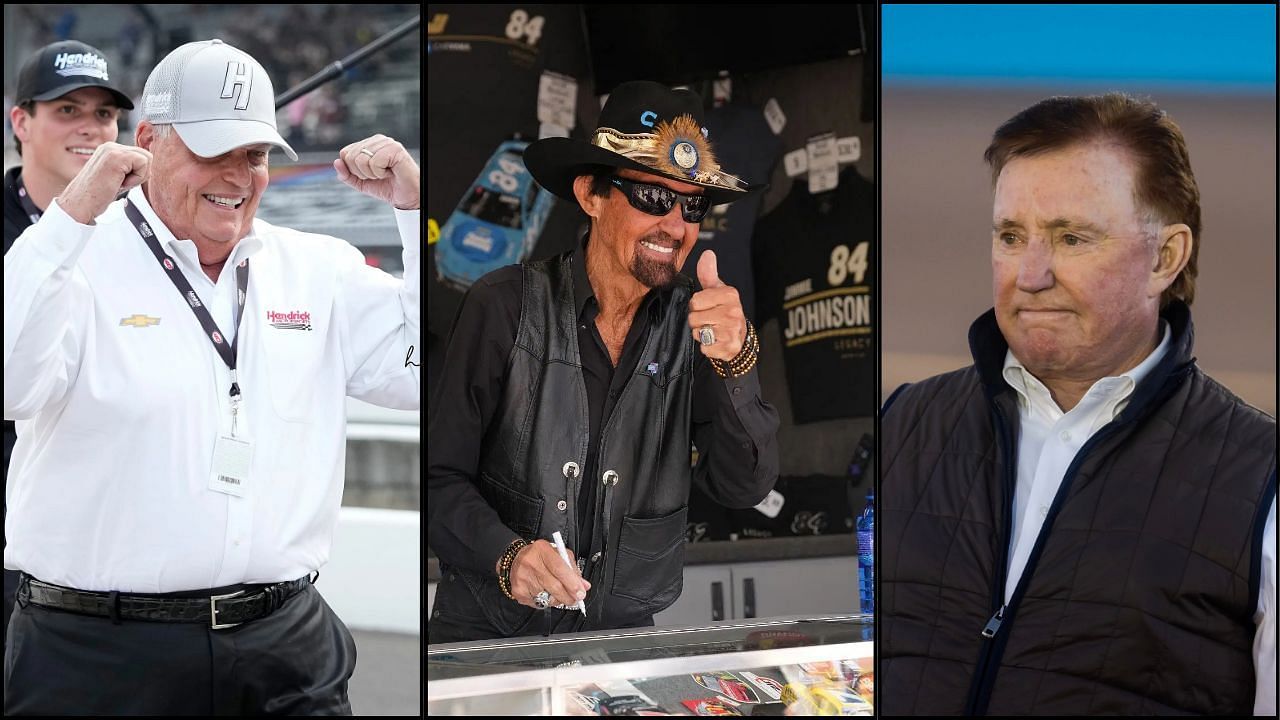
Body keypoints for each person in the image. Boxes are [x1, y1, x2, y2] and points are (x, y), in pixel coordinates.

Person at [3, 38, 420, 715]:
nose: (237, 175)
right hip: (98, 656)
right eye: (210, 151)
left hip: (286, 644)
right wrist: (71, 215)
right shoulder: (68, 254)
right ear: (144, 143)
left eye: (253, 155)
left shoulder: (320, 266)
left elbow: (423, 375)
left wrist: (411, 210)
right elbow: (7, 385)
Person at [879, 93, 1276, 716]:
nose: (1030, 274)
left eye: (1071, 237)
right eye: (1012, 236)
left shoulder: (1262, 482)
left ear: (1166, 258)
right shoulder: (900, 426)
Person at [427, 80, 780, 642]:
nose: (676, 224)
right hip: (484, 640)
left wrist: (736, 362)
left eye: (692, 204)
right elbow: (436, 479)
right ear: (591, 194)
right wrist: (508, 556)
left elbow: (744, 488)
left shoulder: (702, 326)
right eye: (653, 197)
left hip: (620, 645)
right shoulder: (502, 306)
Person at [3, 39, 133, 645]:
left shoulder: (144, 233)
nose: (91, 128)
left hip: (104, 538)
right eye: (68, 110)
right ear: (20, 121)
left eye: (104, 114)